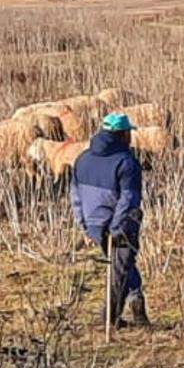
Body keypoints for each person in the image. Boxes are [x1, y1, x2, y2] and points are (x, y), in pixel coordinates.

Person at [70, 112, 150, 328]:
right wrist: (116, 227)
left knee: (123, 265)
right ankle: (110, 319)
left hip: (94, 224)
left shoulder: (82, 159)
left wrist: (84, 225)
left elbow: (75, 195)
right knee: (120, 270)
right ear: (122, 134)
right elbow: (129, 199)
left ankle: (136, 307)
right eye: (128, 133)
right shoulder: (127, 162)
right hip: (119, 226)